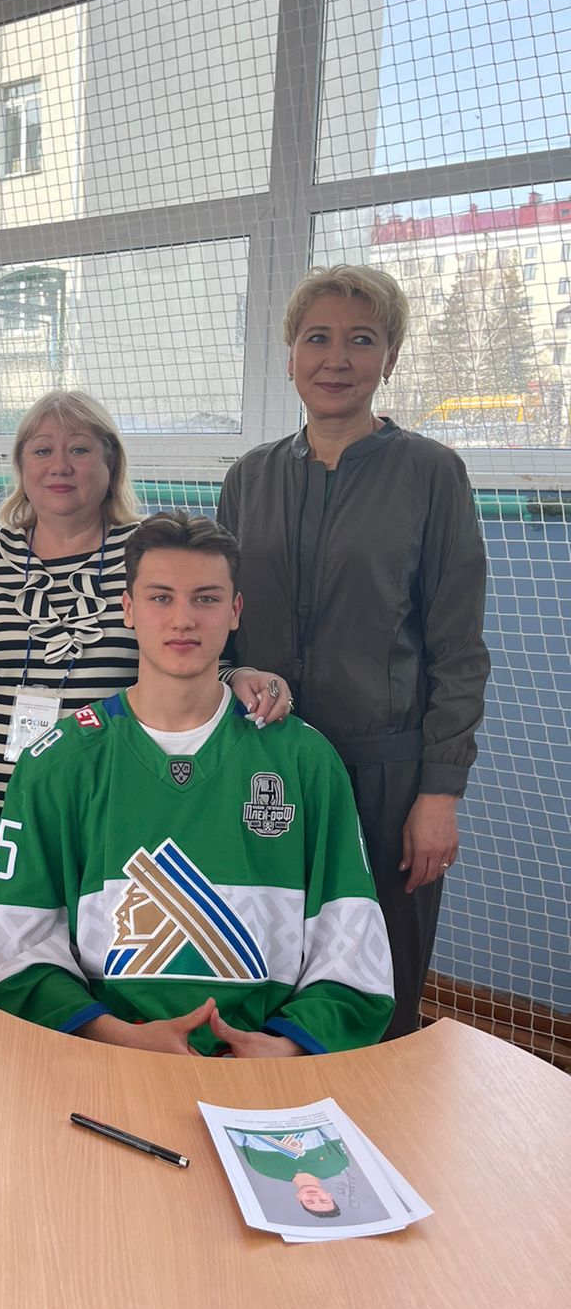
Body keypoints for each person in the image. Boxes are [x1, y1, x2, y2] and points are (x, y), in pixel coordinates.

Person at [0, 511, 395, 1056]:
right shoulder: (57, 763)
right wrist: (118, 1036)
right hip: (106, 1060)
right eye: (160, 597)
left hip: (266, 1068)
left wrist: (285, 1047)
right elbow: (14, 951)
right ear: (127, 608)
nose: (183, 619)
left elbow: (353, 949)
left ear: (235, 611)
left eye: (205, 598)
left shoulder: (304, 759)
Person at [217, 264, 490, 1040]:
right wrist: (234, 674)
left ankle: (376, 1110)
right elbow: (219, 628)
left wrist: (438, 795)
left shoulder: (432, 474)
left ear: (390, 358)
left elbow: (458, 649)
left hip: (386, 778)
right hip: (264, 763)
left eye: (361, 340)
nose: (336, 359)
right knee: (263, 965)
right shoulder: (248, 478)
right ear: (290, 356)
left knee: (380, 981)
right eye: (318, 338)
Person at [0, 391, 290, 930]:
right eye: (42, 450)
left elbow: (189, 659)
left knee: (110, 954)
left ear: (111, 463)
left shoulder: (149, 554)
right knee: (10, 961)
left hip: (113, 802)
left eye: (80, 450)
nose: (60, 466)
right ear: (21, 465)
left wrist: (243, 675)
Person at [230, 1128, 347, 1217]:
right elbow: (327, 1126)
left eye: (309, 1201)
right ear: (329, 1195)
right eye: (323, 1200)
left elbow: (236, 1133)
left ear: (299, 1198)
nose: (314, 1197)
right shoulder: (338, 1165)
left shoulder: (264, 1170)